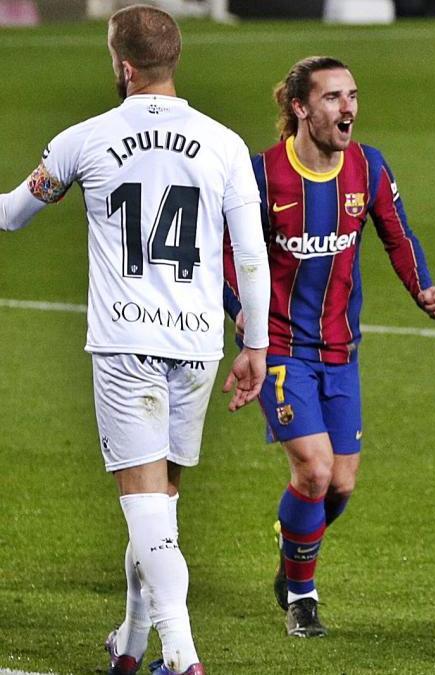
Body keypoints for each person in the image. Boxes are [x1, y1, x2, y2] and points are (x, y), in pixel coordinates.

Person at [0, 6, 270, 675]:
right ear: (171, 59)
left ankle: (182, 656)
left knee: (146, 504)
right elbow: (253, 257)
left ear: (122, 64)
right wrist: (256, 344)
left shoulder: (86, 139)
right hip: (199, 344)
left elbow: (12, 213)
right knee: (160, 505)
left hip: (127, 345)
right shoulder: (225, 144)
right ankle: (132, 641)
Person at [222, 56, 435, 638]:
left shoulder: (367, 168)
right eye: (332, 98)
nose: (347, 108)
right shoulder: (261, 175)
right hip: (281, 347)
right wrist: (242, 316)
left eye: (352, 95)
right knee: (316, 471)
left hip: (341, 349)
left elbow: (398, 234)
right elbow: (226, 254)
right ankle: (303, 596)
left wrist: (421, 286)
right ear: (300, 107)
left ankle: (294, 547)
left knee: (340, 484)